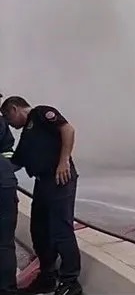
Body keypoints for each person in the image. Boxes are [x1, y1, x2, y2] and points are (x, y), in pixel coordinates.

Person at [0, 97, 82, 295]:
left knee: (60, 230)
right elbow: (14, 162)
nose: (9, 124)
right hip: (42, 182)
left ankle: (71, 281)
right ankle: (47, 276)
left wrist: (63, 161)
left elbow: (68, 129)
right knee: (39, 230)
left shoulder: (41, 114)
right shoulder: (27, 136)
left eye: (8, 118)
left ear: (14, 108)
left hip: (59, 179)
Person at [0, 93, 19, 295]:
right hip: (5, 184)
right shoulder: (2, 124)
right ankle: (6, 289)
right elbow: (8, 152)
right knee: (4, 243)